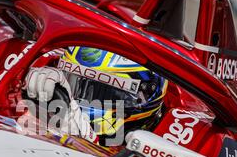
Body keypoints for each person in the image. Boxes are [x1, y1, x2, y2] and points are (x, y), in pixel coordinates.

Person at [25, 46, 167, 146]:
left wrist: (85, 143)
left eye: (103, 92)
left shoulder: (173, 139)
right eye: (73, 83)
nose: (78, 101)